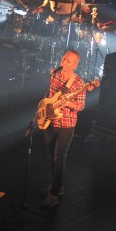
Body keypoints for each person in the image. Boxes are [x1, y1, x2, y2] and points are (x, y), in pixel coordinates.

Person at [40, 49, 91, 208]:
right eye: (64, 59)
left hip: (66, 125)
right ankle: (58, 186)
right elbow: (50, 97)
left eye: (68, 61)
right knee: (50, 156)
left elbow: (81, 106)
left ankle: (54, 194)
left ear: (75, 65)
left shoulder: (78, 83)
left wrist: (67, 103)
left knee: (59, 158)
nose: (64, 62)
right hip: (50, 121)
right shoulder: (54, 74)